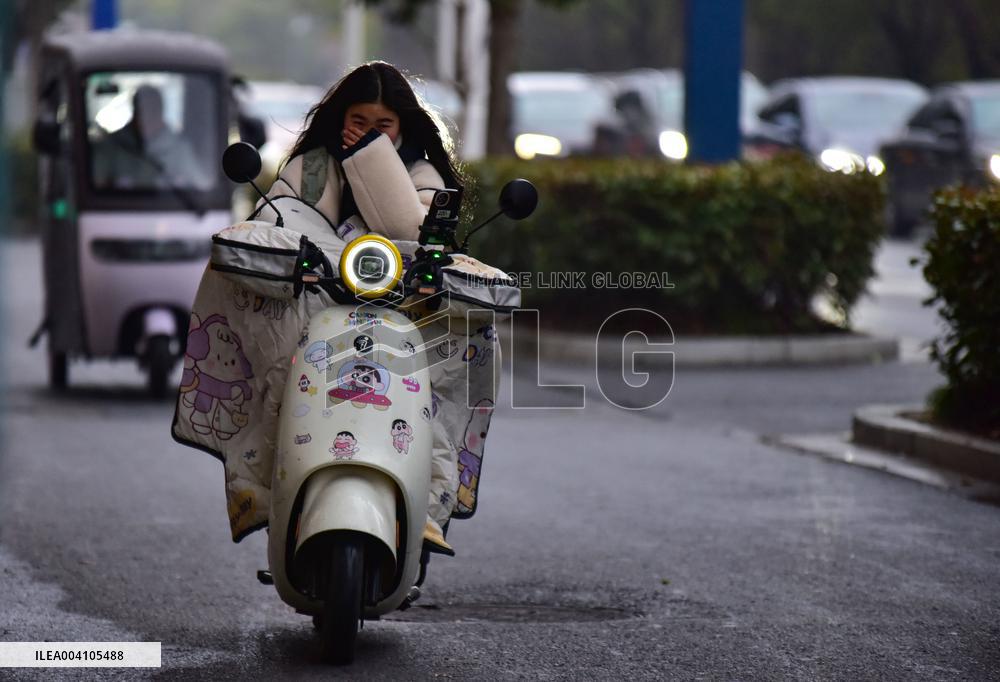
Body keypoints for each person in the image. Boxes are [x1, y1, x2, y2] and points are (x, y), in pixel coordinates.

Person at [260, 61, 466, 555]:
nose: (370, 133)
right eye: (359, 122)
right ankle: (262, 492)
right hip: (316, 311)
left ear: (403, 125)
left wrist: (369, 157)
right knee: (273, 372)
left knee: (440, 384)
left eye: (383, 125)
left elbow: (410, 232)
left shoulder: (423, 173)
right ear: (340, 118)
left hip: (406, 313)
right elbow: (280, 222)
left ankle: (429, 507)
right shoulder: (311, 169)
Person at [92, 84, 210, 190]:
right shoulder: (113, 147)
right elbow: (95, 184)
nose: (145, 119)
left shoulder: (180, 151)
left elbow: (203, 188)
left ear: (160, 113)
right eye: (141, 111)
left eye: (151, 111)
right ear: (134, 113)